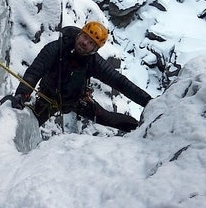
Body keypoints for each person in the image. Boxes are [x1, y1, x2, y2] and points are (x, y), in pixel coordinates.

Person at [11, 21, 152, 135]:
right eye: (85, 37)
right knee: (31, 123)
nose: (85, 43)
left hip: (77, 101)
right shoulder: (55, 49)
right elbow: (34, 72)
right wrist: (22, 94)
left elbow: (120, 82)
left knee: (108, 118)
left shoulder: (94, 62)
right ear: (79, 34)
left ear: (94, 50)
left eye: (91, 43)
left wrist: (149, 103)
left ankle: (140, 130)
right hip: (48, 99)